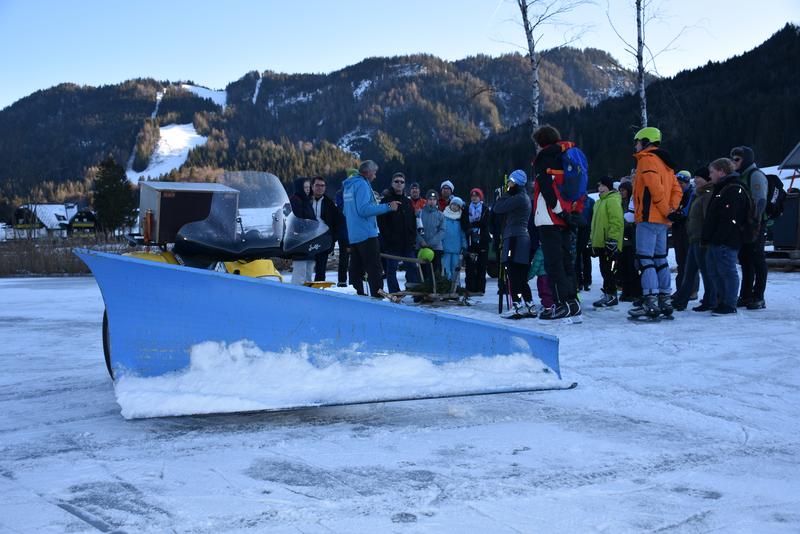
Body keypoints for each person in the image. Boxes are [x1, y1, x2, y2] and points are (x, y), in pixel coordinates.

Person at [628, 127, 682, 321]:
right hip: (662, 221)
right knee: (660, 259)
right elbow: (677, 190)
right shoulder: (667, 164)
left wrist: (666, 211)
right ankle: (665, 300)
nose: (635, 145)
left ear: (645, 141)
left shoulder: (647, 159)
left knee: (646, 259)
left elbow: (655, 189)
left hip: (648, 218)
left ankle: (650, 301)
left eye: (637, 141)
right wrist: (671, 211)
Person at [531, 125, 581, 321]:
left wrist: (558, 210)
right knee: (567, 261)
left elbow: (546, 189)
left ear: (541, 142)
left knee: (553, 264)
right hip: (566, 216)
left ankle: (560, 304)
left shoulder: (544, 158)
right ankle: (572, 302)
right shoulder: (565, 155)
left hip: (550, 217)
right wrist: (568, 214)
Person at [343, 160, 399, 297]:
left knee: (356, 269)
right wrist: (388, 207)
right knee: (375, 269)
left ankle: (358, 296)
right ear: (367, 173)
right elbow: (364, 210)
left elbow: (346, 211)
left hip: (354, 234)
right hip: (367, 234)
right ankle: (377, 299)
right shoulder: (362, 184)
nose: (375, 176)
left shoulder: (349, 186)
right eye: (374, 173)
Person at [701, 158, 750, 315]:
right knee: (714, 271)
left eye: (712, 172)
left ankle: (729, 303)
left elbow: (731, 218)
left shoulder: (734, 188)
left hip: (726, 241)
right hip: (717, 240)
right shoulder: (722, 187)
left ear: (722, 171)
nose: (710, 176)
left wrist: (719, 237)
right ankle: (722, 300)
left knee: (727, 272)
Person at [672, 167, 717, 312]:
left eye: (699, 177)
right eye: (695, 177)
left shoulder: (707, 195)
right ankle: (681, 300)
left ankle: (711, 300)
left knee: (704, 271)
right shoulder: (698, 194)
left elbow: (708, 219)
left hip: (701, 239)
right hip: (693, 237)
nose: (696, 180)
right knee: (689, 270)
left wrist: (706, 237)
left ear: (707, 180)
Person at [493, 169, 535, 318]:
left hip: (514, 238)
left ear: (516, 183)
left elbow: (498, 208)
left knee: (512, 272)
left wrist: (502, 195)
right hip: (521, 238)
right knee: (520, 275)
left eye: (510, 182)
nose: (508, 185)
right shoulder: (523, 197)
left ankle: (517, 304)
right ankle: (529, 304)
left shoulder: (518, 198)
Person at [731, 146, 768, 310]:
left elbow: (760, 200)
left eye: (737, 159)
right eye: (733, 159)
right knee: (745, 259)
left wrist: (754, 222)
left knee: (757, 259)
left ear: (746, 160)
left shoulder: (755, 175)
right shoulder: (741, 176)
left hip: (755, 224)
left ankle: (758, 296)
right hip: (744, 224)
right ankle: (746, 295)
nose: (734, 162)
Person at [378, 172, 420, 293]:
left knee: (412, 267)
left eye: (401, 182)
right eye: (396, 181)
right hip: (392, 244)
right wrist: (388, 238)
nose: (399, 184)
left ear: (404, 185)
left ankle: (415, 292)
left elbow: (412, 221)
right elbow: (381, 222)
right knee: (391, 269)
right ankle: (394, 293)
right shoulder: (386, 201)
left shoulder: (407, 202)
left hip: (407, 243)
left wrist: (412, 237)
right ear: (392, 183)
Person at [591, 177, 624, 307]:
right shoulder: (599, 202)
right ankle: (607, 294)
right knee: (604, 269)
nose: (600, 188)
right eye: (599, 186)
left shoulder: (612, 200)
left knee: (608, 270)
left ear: (609, 187)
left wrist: (613, 240)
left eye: (603, 186)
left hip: (609, 243)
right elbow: (595, 224)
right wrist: (592, 239)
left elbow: (616, 221)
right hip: (600, 242)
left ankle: (611, 295)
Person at [669, 170, 696, 297]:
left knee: (689, 261)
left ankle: (692, 290)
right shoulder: (675, 193)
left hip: (687, 230)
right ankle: (681, 289)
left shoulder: (691, 193)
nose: (679, 185)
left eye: (681, 183)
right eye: (677, 183)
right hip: (677, 229)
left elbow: (686, 212)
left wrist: (674, 215)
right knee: (680, 261)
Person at [309, 176, 339, 282]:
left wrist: (332, 239)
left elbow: (338, 222)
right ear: (312, 186)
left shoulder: (329, 203)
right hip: (307, 239)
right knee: (306, 267)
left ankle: (320, 291)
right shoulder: (306, 201)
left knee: (321, 269)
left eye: (322, 185)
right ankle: (303, 292)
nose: (320, 188)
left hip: (323, 239)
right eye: (317, 185)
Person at [462, 187, 490, 294]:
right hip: (471, 239)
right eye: (473, 196)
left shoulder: (485, 208)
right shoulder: (467, 208)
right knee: (470, 265)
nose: (474, 198)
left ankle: (480, 288)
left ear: (480, 197)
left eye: (476, 196)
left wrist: (474, 224)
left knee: (482, 266)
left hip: (482, 239)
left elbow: (485, 223)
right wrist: (470, 229)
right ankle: (470, 288)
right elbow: (464, 222)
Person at [288, 177, 316, 285]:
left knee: (309, 269)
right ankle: (296, 291)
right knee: (300, 269)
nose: (308, 189)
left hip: (309, 239)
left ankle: (308, 291)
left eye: (309, 187)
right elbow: (297, 220)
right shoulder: (295, 200)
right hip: (299, 240)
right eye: (305, 187)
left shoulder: (307, 200)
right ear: (299, 188)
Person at [617, 181, 641, 301]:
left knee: (632, 267)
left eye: (623, 190)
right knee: (622, 267)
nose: (621, 193)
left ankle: (634, 292)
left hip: (631, 239)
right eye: (620, 190)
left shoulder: (632, 203)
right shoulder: (619, 203)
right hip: (622, 239)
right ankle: (626, 291)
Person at [416, 190, 445, 278]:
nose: (432, 201)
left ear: (436, 201)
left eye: (434, 199)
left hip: (436, 248)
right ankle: (423, 289)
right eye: (430, 199)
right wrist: (421, 241)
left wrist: (432, 243)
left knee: (436, 271)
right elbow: (415, 229)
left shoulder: (440, 215)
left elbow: (442, 230)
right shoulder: (419, 213)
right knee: (423, 272)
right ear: (426, 200)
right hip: (422, 247)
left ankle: (435, 289)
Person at [442, 196, 467, 283]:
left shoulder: (460, 219)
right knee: (445, 269)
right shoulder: (443, 217)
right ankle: (445, 287)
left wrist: (464, 246)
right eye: (453, 204)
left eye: (457, 206)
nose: (455, 207)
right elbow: (441, 232)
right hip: (445, 248)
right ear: (450, 204)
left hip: (456, 249)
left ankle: (456, 287)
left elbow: (463, 235)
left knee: (455, 269)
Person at [575, 193, 594, 292]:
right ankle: (578, 280)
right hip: (576, 230)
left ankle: (587, 280)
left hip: (587, 231)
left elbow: (593, 217)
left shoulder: (590, 201)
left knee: (586, 256)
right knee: (576, 256)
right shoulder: (573, 198)